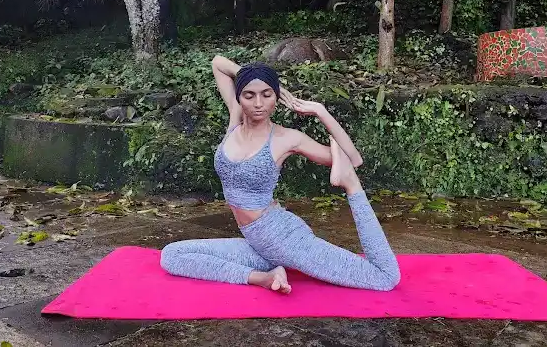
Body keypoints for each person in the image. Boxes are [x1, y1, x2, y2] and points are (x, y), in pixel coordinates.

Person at [160, 55, 400, 293]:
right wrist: (254, 77)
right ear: (239, 97)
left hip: (284, 239)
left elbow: (354, 159)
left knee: (384, 278)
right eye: (249, 95)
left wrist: (320, 111)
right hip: (257, 244)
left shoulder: (286, 138)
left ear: (276, 97)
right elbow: (218, 63)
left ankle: (351, 186)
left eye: (267, 95)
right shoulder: (235, 120)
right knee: (172, 255)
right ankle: (264, 277)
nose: (258, 103)